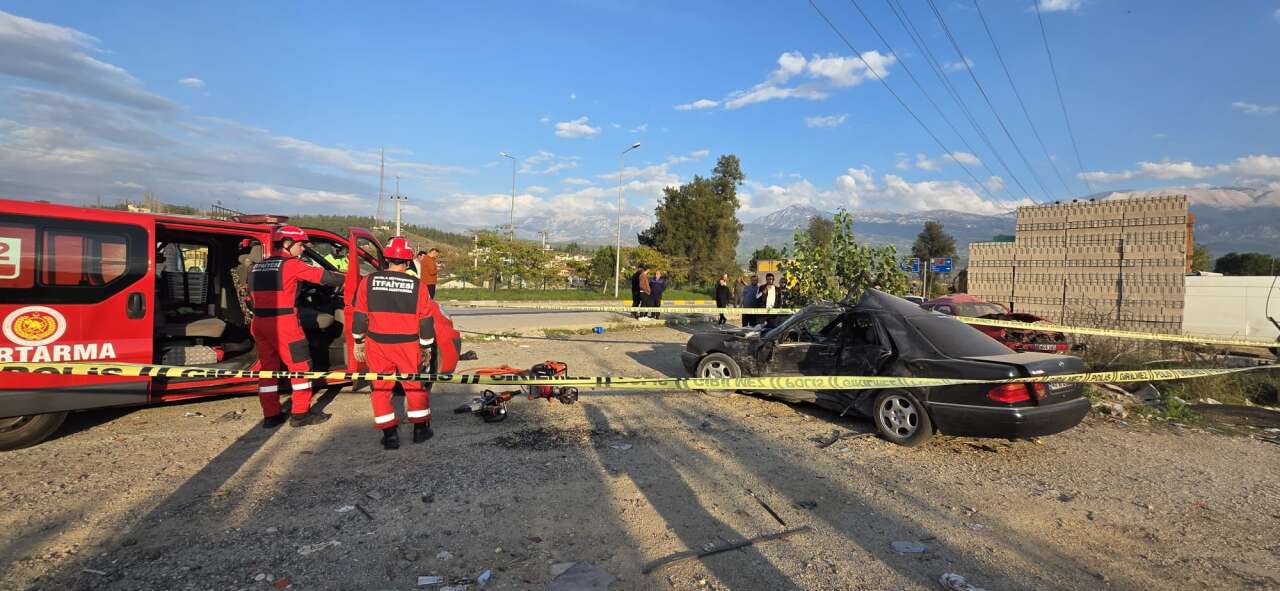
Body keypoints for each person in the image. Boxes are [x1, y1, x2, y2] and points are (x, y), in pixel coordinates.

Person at [249, 225, 343, 429]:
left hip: (260, 324)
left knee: (268, 370)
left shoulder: (256, 267)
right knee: (300, 368)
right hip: (284, 325)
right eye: (300, 245)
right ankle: (300, 414)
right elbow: (324, 278)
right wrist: (349, 277)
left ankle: (271, 415)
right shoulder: (291, 265)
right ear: (286, 243)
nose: (302, 249)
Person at [351, 236, 437, 450]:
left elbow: (360, 317)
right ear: (408, 261)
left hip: (377, 345)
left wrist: (358, 342)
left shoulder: (368, 281)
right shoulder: (418, 286)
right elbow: (426, 320)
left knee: (380, 388)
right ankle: (420, 431)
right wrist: (426, 347)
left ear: (386, 258)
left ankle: (389, 436)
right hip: (407, 345)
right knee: (414, 386)